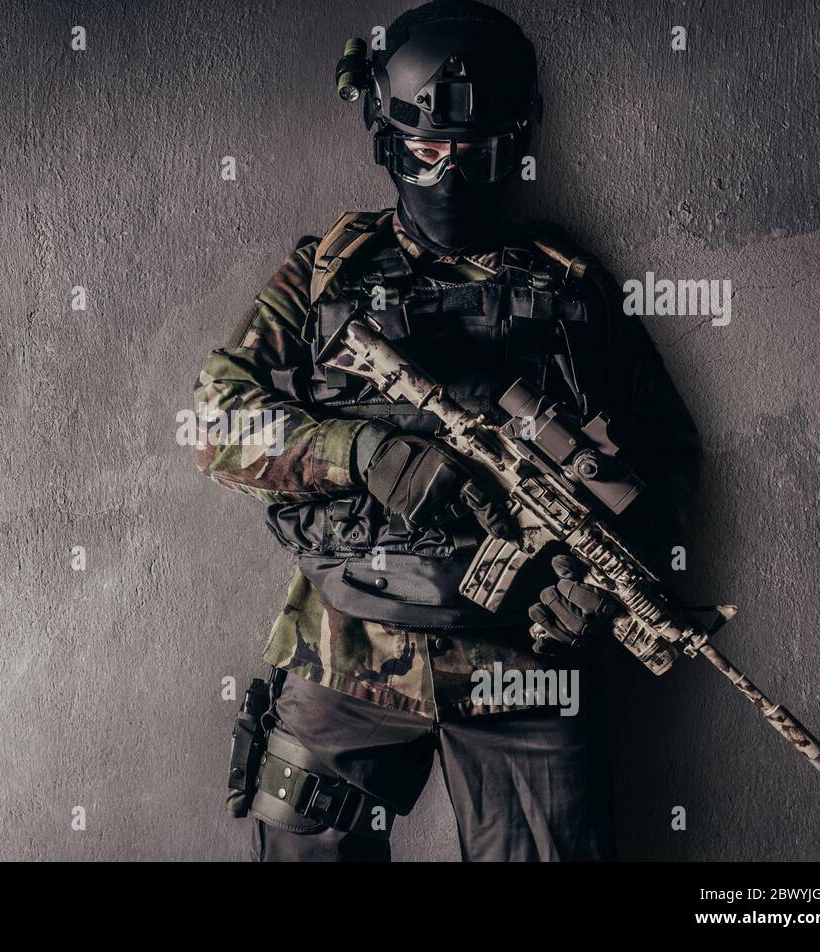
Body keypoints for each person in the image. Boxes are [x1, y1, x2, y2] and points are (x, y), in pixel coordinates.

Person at [193, 0, 701, 862]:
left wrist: (606, 580)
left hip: (526, 659)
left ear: (516, 143)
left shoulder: (570, 290)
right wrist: (361, 451)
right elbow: (214, 416)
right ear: (389, 141)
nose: (450, 178)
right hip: (346, 643)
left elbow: (668, 464)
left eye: (477, 155)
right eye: (427, 152)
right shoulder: (326, 271)